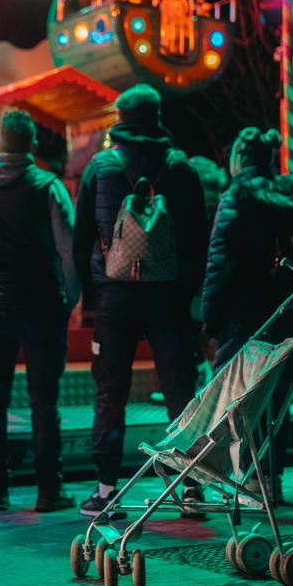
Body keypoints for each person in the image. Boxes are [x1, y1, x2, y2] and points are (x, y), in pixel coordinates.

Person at [73, 84, 208, 518]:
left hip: (114, 298)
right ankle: (189, 489)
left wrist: (92, 297)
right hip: (169, 298)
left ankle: (105, 490)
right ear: (157, 118)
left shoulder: (101, 167)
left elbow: (79, 242)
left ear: (120, 119)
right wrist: (188, 296)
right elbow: (198, 242)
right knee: (181, 394)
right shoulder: (183, 170)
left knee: (110, 394)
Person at [0, 111, 80, 512]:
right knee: (44, 400)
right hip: (41, 305)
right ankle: (48, 490)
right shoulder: (48, 187)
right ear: (33, 146)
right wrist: (69, 299)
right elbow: (68, 251)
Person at [200, 127, 293, 506]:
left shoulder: (237, 197)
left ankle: (242, 478)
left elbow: (220, 261)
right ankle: (270, 479)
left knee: (235, 397)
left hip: (242, 315)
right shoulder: (291, 198)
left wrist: (209, 317)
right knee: (276, 398)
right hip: (286, 311)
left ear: (240, 155)